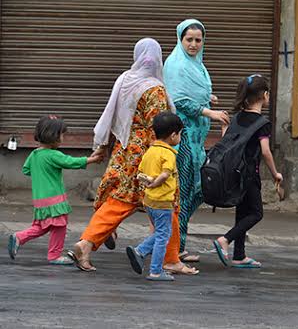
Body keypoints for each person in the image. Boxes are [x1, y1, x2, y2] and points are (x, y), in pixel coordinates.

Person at [69, 38, 197, 275]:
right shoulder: (154, 89)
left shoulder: (125, 79)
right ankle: (170, 259)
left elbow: (112, 113)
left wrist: (104, 144)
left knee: (119, 202)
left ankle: (86, 243)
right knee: (169, 204)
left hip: (124, 150)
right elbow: (160, 127)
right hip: (150, 153)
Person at [164, 19, 229, 262]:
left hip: (196, 138)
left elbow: (193, 92)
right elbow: (179, 100)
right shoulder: (176, 65)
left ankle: (176, 245)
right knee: (186, 191)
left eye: (198, 40)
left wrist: (207, 97)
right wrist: (208, 112)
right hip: (182, 137)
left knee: (196, 189)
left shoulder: (197, 66)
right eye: (189, 39)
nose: (193, 44)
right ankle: (172, 249)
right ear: (180, 40)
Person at [8, 116, 102, 264]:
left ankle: (19, 237)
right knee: (59, 226)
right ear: (53, 136)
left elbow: (26, 170)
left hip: (40, 199)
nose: (63, 137)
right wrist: (92, 160)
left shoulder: (34, 154)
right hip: (54, 198)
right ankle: (54, 255)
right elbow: (70, 162)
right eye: (62, 134)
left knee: (42, 227)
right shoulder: (53, 155)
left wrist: (41, 172)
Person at [213, 74, 282, 268]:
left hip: (235, 173)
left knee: (242, 213)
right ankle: (225, 240)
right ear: (265, 95)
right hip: (250, 174)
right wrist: (276, 173)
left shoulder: (238, 117)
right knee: (256, 213)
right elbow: (266, 152)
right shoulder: (262, 123)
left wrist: (224, 127)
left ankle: (239, 255)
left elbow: (227, 141)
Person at [126, 112, 184, 281]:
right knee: (163, 237)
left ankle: (140, 251)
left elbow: (140, 173)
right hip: (162, 201)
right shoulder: (169, 153)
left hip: (149, 201)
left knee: (161, 232)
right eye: (179, 134)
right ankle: (155, 271)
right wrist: (156, 183)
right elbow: (166, 175)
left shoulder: (150, 151)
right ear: (173, 135)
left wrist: (148, 183)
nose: (179, 137)